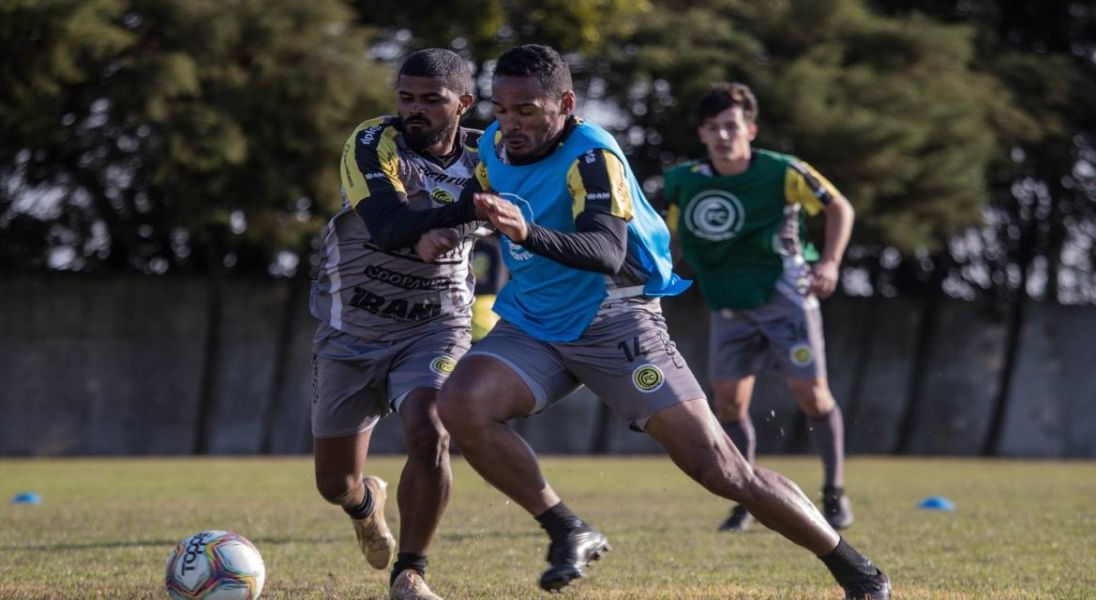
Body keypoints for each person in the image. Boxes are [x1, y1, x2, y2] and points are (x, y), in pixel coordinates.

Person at [432, 45, 890, 599]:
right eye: (501, 110)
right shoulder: (492, 147)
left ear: (566, 102)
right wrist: (437, 226)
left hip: (617, 320)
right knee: (461, 404)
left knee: (721, 470)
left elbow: (604, 249)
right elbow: (471, 198)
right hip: (534, 323)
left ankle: (856, 569)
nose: (511, 124)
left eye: (527, 110)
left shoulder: (592, 155)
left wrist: (525, 234)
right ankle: (566, 527)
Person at [308, 48, 487, 600]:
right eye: (406, 98)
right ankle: (366, 505)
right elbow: (385, 223)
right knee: (333, 484)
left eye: (431, 101)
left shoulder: (492, 158)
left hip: (436, 325)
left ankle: (411, 572)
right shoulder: (371, 142)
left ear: (463, 103)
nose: (415, 110)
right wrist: (461, 216)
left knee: (431, 428)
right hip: (351, 327)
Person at [662, 82, 858, 532]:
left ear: (750, 129)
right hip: (727, 304)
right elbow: (673, 240)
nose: (723, 135)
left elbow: (839, 208)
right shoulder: (683, 182)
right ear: (703, 134)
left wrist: (829, 262)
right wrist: (655, 283)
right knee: (728, 403)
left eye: (731, 126)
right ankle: (745, 497)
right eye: (713, 128)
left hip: (786, 300)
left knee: (811, 395)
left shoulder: (784, 171)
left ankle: (834, 493)